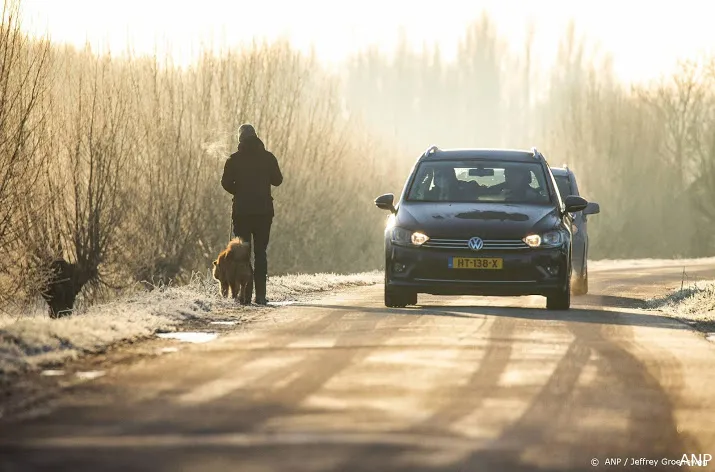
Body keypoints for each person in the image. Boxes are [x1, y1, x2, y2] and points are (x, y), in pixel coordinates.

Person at [221, 124, 283, 305]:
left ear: (240, 139)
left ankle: (245, 297)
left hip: (241, 212)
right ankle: (261, 296)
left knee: (242, 254)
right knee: (261, 253)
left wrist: (238, 191)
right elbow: (278, 180)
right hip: (263, 212)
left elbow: (225, 183)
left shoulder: (233, 159)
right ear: (256, 137)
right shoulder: (268, 158)